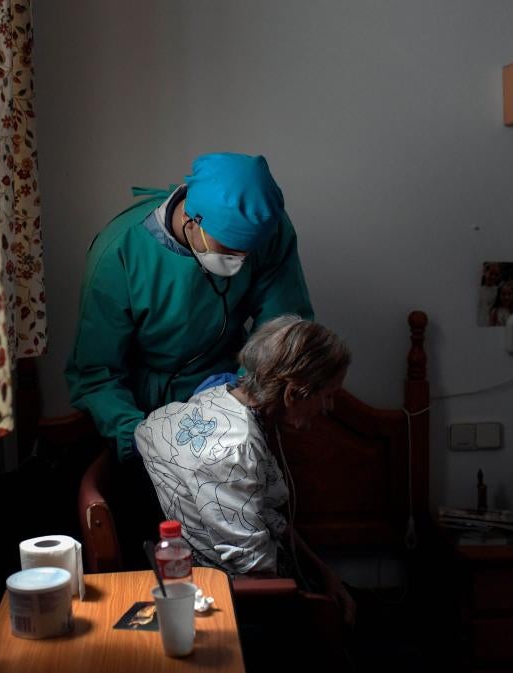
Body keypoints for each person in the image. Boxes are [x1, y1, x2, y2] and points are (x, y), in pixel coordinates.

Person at [66, 153, 313, 463]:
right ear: (191, 220)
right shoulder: (120, 252)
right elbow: (96, 372)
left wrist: (243, 401)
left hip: (232, 392)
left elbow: (282, 327)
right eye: (229, 249)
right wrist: (141, 440)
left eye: (249, 252)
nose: (241, 261)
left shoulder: (268, 228)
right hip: (143, 408)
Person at [134, 315, 357, 626]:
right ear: (293, 392)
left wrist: (324, 572)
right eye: (328, 395)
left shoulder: (223, 398)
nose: (329, 407)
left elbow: (265, 517)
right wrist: (318, 608)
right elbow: (257, 575)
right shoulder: (232, 451)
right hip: (232, 603)